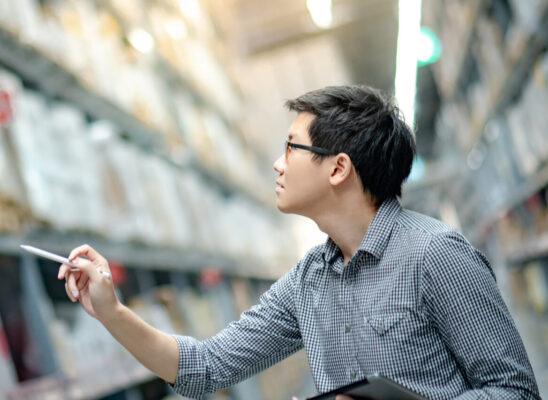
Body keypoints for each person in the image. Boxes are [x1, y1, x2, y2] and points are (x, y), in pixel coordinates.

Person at [56, 85, 539, 399]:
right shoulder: (309, 281)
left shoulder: (436, 255)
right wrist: (113, 313)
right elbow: (205, 368)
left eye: (291, 147)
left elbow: (514, 390)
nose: (278, 164)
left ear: (338, 168)